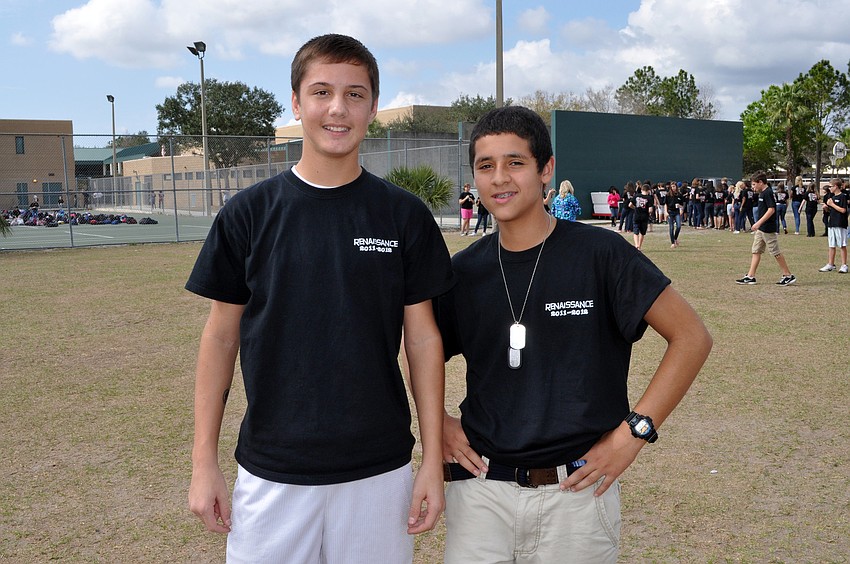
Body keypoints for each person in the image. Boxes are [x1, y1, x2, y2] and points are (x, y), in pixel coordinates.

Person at [185, 33, 454, 564]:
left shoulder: (404, 216)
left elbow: (422, 339)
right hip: (273, 469)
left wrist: (429, 458)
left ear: (373, 107)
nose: (338, 108)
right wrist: (203, 462)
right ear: (296, 102)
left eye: (355, 94)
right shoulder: (248, 214)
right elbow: (219, 337)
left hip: (380, 468)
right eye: (322, 91)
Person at [435, 105, 712, 563]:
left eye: (515, 162)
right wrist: (439, 423)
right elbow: (418, 349)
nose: (500, 178)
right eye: (486, 166)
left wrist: (634, 432)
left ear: (546, 170)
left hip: (576, 493)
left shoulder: (601, 254)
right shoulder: (462, 272)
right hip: (481, 493)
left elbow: (692, 337)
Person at [735, 171, 796, 286]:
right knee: (756, 250)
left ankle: (788, 275)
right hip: (761, 229)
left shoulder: (767, 193)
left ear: (761, 182)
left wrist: (758, 223)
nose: (752, 187)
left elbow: (771, 210)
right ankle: (750, 276)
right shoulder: (762, 193)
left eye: (754, 184)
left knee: (775, 252)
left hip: (767, 228)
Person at [818, 179, 848, 273]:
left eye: (831, 186)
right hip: (832, 223)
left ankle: (844, 265)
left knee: (842, 245)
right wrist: (827, 208)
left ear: (836, 186)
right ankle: (831, 264)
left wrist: (832, 204)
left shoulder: (843, 196)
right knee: (831, 245)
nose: (829, 188)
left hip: (840, 223)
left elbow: (843, 210)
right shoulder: (832, 197)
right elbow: (832, 211)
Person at [630, 183, 653, 251]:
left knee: (635, 231)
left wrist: (635, 208)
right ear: (648, 190)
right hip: (644, 217)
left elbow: (630, 204)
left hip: (636, 215)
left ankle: (636, 245)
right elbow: (650, 209)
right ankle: (639, 246)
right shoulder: (649, 198)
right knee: (642, 232)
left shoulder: (636, 196)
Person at [667, 182, 683, 248]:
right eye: (672, 186)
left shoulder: (679, 195)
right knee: (671, 227)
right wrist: (665, 212)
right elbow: (665, 204)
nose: (673, 188)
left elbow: (682, 205)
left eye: (674, 186)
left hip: (676, 212)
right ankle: (672, 242)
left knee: (679, 226)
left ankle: (675, 238)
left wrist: (680, 207)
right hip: (670, 212)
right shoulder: (668, 195)